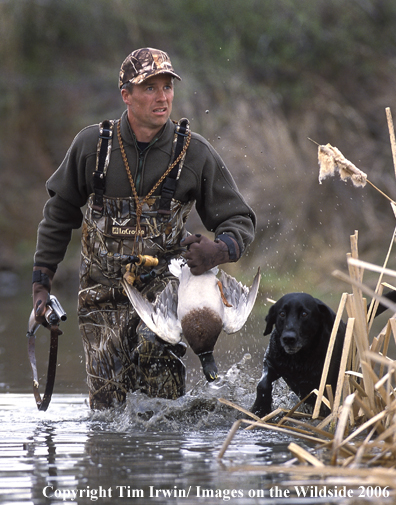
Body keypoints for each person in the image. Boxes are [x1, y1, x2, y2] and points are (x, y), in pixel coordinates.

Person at [32, 47, 256, 409]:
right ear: (126, 95)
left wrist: (219, 250)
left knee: (163, 408)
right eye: (150, 87)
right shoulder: (92, 148)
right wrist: (40, 285)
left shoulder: (194, 153)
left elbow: (239, 219)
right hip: (100, 297)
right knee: (107, 416)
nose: (162, 97)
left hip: (165, 295)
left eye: (167, 87)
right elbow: (58, 216)